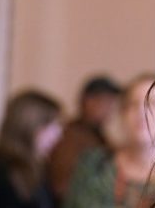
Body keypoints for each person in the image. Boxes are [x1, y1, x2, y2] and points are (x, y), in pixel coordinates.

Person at [64, 75, 155, 208]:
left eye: (153, 103)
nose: (141, 111)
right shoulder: (92, 165)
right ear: (122, 114)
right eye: (133, 104)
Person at [0, 90, 63, 208]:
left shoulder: (32, 169)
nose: (57, 134)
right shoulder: (2, 173)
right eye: (50, 125)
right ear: (28, 126)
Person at [48, 76, 121, 204]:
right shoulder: (69, 137)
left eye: (111, 103)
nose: (109, 109)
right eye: (104, 102)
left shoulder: (101, 137)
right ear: (87, 101)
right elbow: (62, 187)